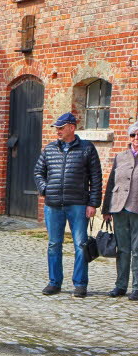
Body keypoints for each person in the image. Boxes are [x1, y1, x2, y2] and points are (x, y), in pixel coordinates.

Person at [34, 112, 102, 298]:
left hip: (78, 205)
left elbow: (96, 178)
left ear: (72, 127)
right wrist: (45, 189)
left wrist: (93, 203)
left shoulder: (87, 149)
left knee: (80, 244)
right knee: (54, 244)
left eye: (61, 127)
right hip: (53, 205)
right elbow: (38, 172)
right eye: (57, 128)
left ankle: (80, 284)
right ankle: (54, 282)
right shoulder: (50, 149)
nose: (58, 131)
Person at [102, 121, 138, 301]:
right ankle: (120, 285)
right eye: (133, 135)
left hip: (136, 208)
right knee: (122, 249)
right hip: (119, 208)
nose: (136, 138)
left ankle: (137, 287)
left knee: (137, 249)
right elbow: (111, 184)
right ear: (129, 138)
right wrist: (106, 209)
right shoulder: (120, 157)